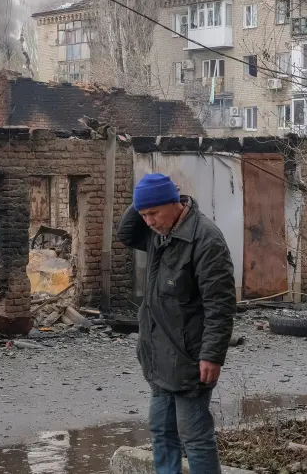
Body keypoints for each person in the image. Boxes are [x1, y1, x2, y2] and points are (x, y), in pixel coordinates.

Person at [116, 172, 236, 474]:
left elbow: (220, 304)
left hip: (189, 357)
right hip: (158, 355)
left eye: (153, 212)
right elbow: (125, 234)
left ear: (176, 203)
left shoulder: (205, 239)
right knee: (162, 432)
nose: (148, 221)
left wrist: (211, 354)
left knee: (194, 437)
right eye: (143, 214)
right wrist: (143, 197)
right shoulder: (157, 234)